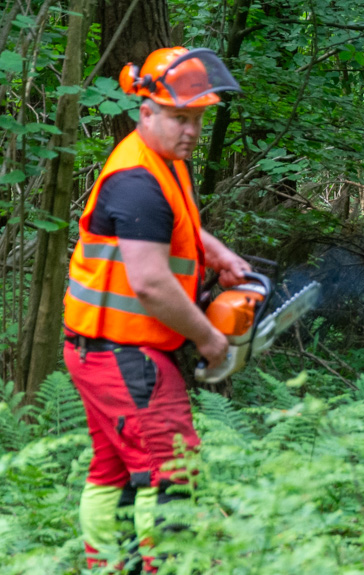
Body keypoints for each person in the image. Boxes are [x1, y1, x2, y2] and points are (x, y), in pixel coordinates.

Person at [63, 47, 250, 573]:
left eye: (196, 119)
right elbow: (149, 283)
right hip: (125, 355)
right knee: (173, 471)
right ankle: (166, 565)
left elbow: (168, 224)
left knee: (113, 469)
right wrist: (210, 340)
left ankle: (109, 565)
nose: (190, 131)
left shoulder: (161, 163)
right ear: (147, 112)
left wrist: (213, 250)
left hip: (103, 351)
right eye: (178, 118)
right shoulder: (138, 181)